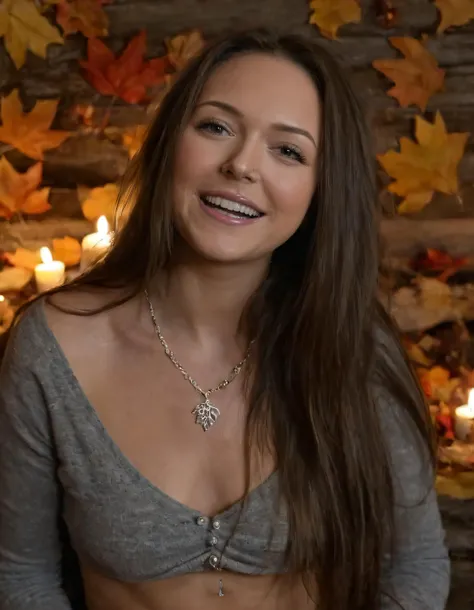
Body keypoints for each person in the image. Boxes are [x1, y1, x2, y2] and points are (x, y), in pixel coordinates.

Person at [0, 29, 450, 610]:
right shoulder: (54, 346)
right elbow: (21, 575)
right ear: (169, 143)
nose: (240, 165)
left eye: (288, 151)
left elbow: (413, 566)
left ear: (321, 189)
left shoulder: (353, 346)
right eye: (216, 127)